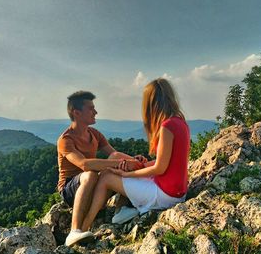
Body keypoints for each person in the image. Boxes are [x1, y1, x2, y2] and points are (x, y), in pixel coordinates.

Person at [81, 78, 190, 234]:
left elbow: (160, 168)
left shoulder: (167, 126)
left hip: (166, 195)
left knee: (106, 177)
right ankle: (122, 210)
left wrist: (128, 174)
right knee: (118, 158)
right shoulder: (179, 122)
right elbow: (167, 161)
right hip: (175, 190)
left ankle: (84, 227)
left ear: (151, 103)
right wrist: (140, 165)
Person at [57, 91, 143, 247]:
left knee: (116, 159)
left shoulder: (94, 134)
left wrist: (134, 161)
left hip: (93, 182)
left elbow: (114, 155)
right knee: (90, 174)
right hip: (71, 189)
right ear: (76, 113)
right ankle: (74, 231)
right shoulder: (66, 140)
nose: (95, 112)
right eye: (91, 109)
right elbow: (84, 164)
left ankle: (121, 209)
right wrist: (118, 163)